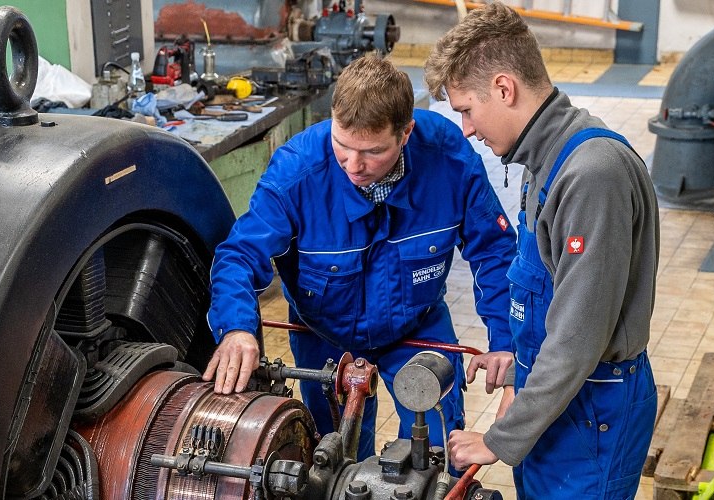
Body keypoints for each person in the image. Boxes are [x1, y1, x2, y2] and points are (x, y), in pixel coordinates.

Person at [203, 54, 517, 460]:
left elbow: (494, 250)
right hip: (324, 335)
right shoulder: (297, 173)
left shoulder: (447, 159)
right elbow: (239, 256)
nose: (353, 165)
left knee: (436, 451)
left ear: (406, 133)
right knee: (334, 457)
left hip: (417, 326)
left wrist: (505, 342)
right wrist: (236, 328)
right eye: (342, 145)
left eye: (371, 151)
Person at [425, 3, 660, 498]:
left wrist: (500, 438)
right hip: (557, 403)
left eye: (467, 108)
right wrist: (517, 362)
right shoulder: (543, 161)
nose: (465, 128)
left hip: (593, 413)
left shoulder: (591, 173)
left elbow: (579, 337)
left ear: (504, 89)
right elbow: (555, 297)